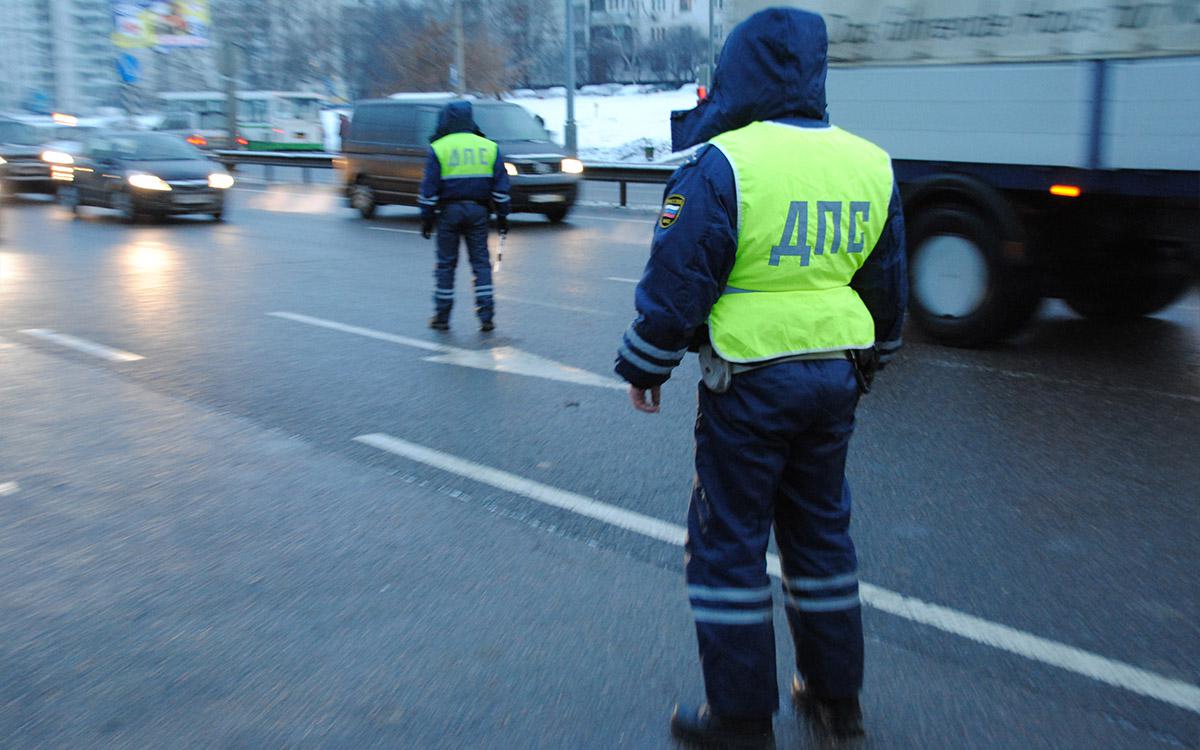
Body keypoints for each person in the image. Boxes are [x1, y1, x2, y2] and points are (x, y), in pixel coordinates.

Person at [614, 8, 906, 747]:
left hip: (748, 385)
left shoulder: (726, 164)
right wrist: (873, 360)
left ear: (741, 72)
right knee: (821, 539)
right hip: (834, 382)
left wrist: (647, 362)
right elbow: (885, 283)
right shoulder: (869, 162)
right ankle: (836, 700)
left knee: (729, 547)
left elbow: (681, 278)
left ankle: (741, 720)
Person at [418, 101, 511, 332]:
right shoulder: (489, 147)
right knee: (480, 264)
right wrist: (503, 217)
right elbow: (501, 189)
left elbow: (429, 189)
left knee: (446, 265)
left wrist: (427, 217)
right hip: (479, 211)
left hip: (448, 213)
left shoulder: (439, 147)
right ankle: (486, 316)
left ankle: (442, 316)